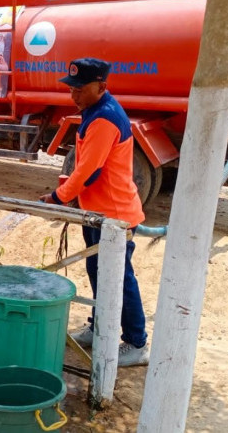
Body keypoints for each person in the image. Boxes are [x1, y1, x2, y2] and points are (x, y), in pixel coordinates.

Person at [39, 58, 149, 367]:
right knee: (98, 273)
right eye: (71, 89)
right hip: (97, 212)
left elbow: (88, 171)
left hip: (114, 215)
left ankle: (136, 342)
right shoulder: (94, 112)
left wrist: (59, 197)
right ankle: (100, 324)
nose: (73, 95)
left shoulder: (105, 119)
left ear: (101, 86)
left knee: (119, 278)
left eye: (80, 89)